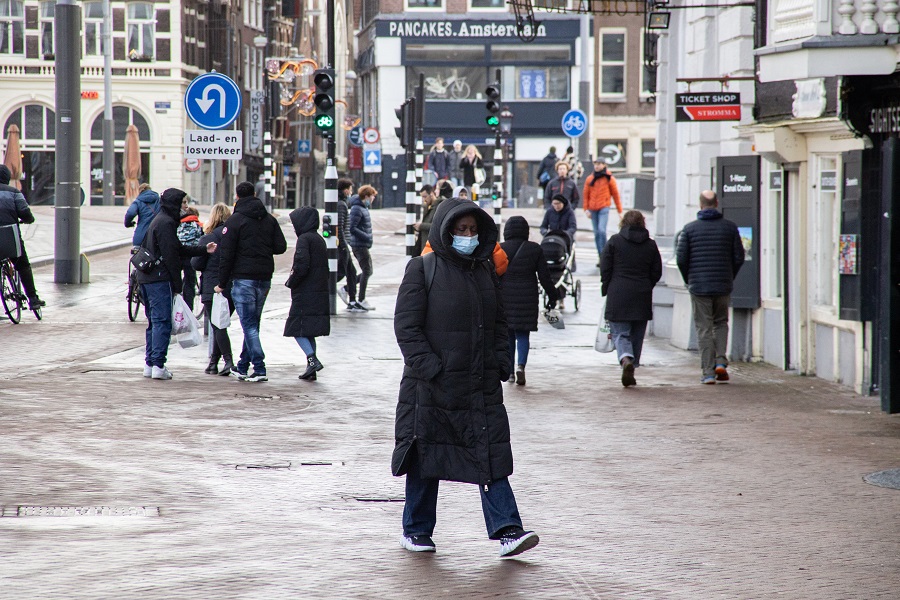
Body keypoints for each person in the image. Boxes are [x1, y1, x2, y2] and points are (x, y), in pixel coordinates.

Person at [392, 198, 540, 558]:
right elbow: (406, 327)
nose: (468, 236)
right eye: (461, 230)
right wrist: (432, 369)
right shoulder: (422, 268)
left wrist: (501, 362)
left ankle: (508, 530)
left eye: (473, 230)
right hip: (431, 389)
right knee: (427, 456)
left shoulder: (485, 271)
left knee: (489, 454)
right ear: (446, 231)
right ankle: (416, 531)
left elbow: (499, 321)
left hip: (479, 386)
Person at [136, 188, 216, 380]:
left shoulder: (161, 220)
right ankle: (158, 365)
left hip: (147, 277)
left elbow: (176, 248)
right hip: (158, 279)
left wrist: (203, 249)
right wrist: (177, 284)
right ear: (174, 203)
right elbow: (172, 254)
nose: (185, 207)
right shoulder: (166, 223)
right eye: (182, 203)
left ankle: (150, 363)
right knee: (162, 321)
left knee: (154, 322)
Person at [214, 181, 288, 382]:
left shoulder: (235, 221)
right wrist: (262, 247)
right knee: (253, 323)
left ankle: (259, 367)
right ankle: (243, 366)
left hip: (243, 278)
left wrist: (221, 283)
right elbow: (281, 246)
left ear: (237, 197)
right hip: (264, 278)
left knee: (249, 325)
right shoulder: (269, 219)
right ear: (255, 194)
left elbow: (226, 255)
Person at [675, 190, 745, 385]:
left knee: (704, 328)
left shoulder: (689, 229)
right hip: (722, 284)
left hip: (699, 286)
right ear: (717, 203)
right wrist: (729, 275)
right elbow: (739, 256)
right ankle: (720, 361)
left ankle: (708, 372)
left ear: (700, 205)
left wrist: (689, 279)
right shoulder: (730, 228)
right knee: (721, 322)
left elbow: (681, 258)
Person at [600, 210, 662, 388]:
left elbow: (605, 267)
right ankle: (632, 366)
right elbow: (656, 271)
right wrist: (647, 284)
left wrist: (607, 287)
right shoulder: (650, 245)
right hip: (642, 294)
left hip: (618, 292)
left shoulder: (614, 242)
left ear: (623, 223)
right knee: (637, 334)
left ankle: (626, 359)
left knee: (620, 333)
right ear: (643, 223)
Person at [499, 216, 559, 386]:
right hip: (528, 298)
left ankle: (510, 372)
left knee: (508, 335)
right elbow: (545, 277)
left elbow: (493, 274)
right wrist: (552, 296)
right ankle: (521, 366)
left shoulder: (500, 249)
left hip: (506, 298)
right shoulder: (535, 249)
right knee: (523, 334)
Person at [284, 206, 330, 381]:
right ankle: (311, 367)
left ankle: (312, 360)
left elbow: (301, 265)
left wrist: (291, 281)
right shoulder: (318, 239)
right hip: (317, 290)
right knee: (308, 329)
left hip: (305, 291)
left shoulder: (304, 239)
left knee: (297, 328)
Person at [192, 203, 235, 376]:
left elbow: (196, 263)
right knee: (220, 323)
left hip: (212, 286)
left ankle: (228, 360)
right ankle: (213, 363)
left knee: (218, 325)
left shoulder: (208, 238)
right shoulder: (233, 237)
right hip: (231, 286)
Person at [0, 165, 44, 309]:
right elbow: (25, 213)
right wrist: (28, 220)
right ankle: (33, 299)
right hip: (10, 238)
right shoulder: (14, 193)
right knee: (23, 265)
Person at [582, 159, 623, 266]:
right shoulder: (590, 179)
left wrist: (620, 211)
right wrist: (586, 209)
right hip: (592, 208)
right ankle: (601, 256)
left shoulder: (609, 178)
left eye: (599, 164)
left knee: (602, 231)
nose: (596, 166)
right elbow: (586, 195)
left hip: (604, 207)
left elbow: (615, 195)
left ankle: (605, 255)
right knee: (596, 233)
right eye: (595, 164)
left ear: (604, 165)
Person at [336, 178, 363, 312]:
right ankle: (324, 288)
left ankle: (352, 300)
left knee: (351, 272)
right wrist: (343, 245)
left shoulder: (342, 203)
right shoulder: (341, 204)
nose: (351, 192)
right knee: (341, 272)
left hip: (343, 244)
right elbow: (339, 227)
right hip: (342, 245)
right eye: (350, 189)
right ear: (346, 190)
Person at [348, 184, 376, 311]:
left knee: (368, 270)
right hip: (359, 245)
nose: (373, 199)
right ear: (366, 196)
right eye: (372, 196)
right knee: (367, 270)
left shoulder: (362, 207)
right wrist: (366, 237)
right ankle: (361, 300)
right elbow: (352, 228)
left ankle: (348, 289)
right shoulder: (357, 209)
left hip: (362, 244)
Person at [177, 203, 203, 310]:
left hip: (178, 255)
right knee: (189, 281)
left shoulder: (177, 224)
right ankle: (188, 309)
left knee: (175, 281)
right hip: (191, 256)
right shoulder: (198, 225)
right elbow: (202, 241)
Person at [124, 182, 160, 247]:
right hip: (157, 236)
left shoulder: (138, 201)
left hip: (142, 236)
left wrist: (128, 224)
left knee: (138, 255)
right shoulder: (159, 200)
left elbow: (130, 213)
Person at [413, 184, 443, 257]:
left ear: (432, 194)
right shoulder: (427, 207)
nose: (424, 200)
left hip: (433, 249)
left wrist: (421, 226)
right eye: (422, 197)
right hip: (425, 248)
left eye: (425, 196)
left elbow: (438, 226)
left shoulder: (439, 206)